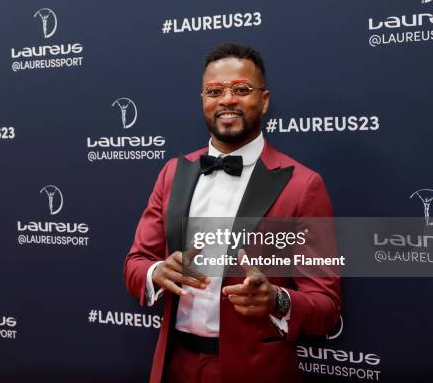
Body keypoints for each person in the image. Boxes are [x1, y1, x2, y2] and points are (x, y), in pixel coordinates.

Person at [124, 43, 341, 383]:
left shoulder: (303, 186)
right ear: (203, 100)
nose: (227, 99)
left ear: (265, 100)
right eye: (214, 91)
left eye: (241, 89)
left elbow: (325, 305)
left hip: (256, 371)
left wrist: (277, 300)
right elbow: (136, 263)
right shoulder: (172, 173)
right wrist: (157, 272)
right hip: (174, 366)